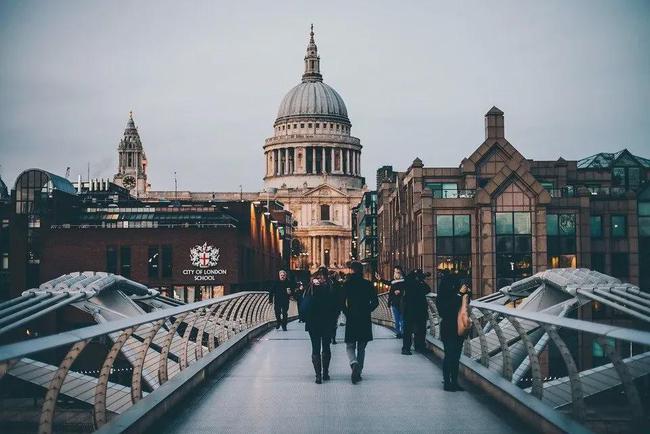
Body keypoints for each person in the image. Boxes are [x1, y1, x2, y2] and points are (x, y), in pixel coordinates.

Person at [342, 261, 379, 384]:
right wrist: (367, 310)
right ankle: (359, 371)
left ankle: (354, 363)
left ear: (352, 270)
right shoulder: (368, 284)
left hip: (352, 318)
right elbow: (375, 302)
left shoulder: (347, 284)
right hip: (364, 318)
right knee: (362, 347)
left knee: (350, 345)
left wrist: (347, 313)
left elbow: (341, 302)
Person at [302, 266, 339, 384]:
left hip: (313, 322)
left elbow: (303, 302)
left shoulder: (310, 287)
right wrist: (335, 320)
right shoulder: (331, 287)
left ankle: (318, 376)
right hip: (327, 322)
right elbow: (336, 305)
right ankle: (326, 373)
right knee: (326, 347)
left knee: (315, 348)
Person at [435, 272, 470, 391]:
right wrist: (459, 294)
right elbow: (444, 310)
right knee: (449, 355)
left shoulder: (456, 293)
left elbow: (465, 306)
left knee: (456, 356)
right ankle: (447, 382)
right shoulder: (442, 297)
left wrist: (465, 294)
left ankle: (454, 382)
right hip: (448, 327)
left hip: (458, 328)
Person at [401, 269, 431, 355]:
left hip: (410, 309)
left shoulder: (408, 282)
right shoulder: (416, 283)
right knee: (419, 329)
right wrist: (421, 281)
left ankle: (407, 348)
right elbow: (427, 289)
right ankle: (418, 346)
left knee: (409, 330)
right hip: (418, 309)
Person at [387, 266, 406, 338]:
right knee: (397, 319)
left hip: (402, 303)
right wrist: (389, 302)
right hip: (394, 303)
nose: (396, 273)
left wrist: (400, 292)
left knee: (402, 319)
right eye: (395, 272)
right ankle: (398, 333)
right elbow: (391, 292)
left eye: (398, 272)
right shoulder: (393, 281)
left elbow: (405, 290)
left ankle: (403, 332)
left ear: (400, 272)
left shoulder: (404, 281)